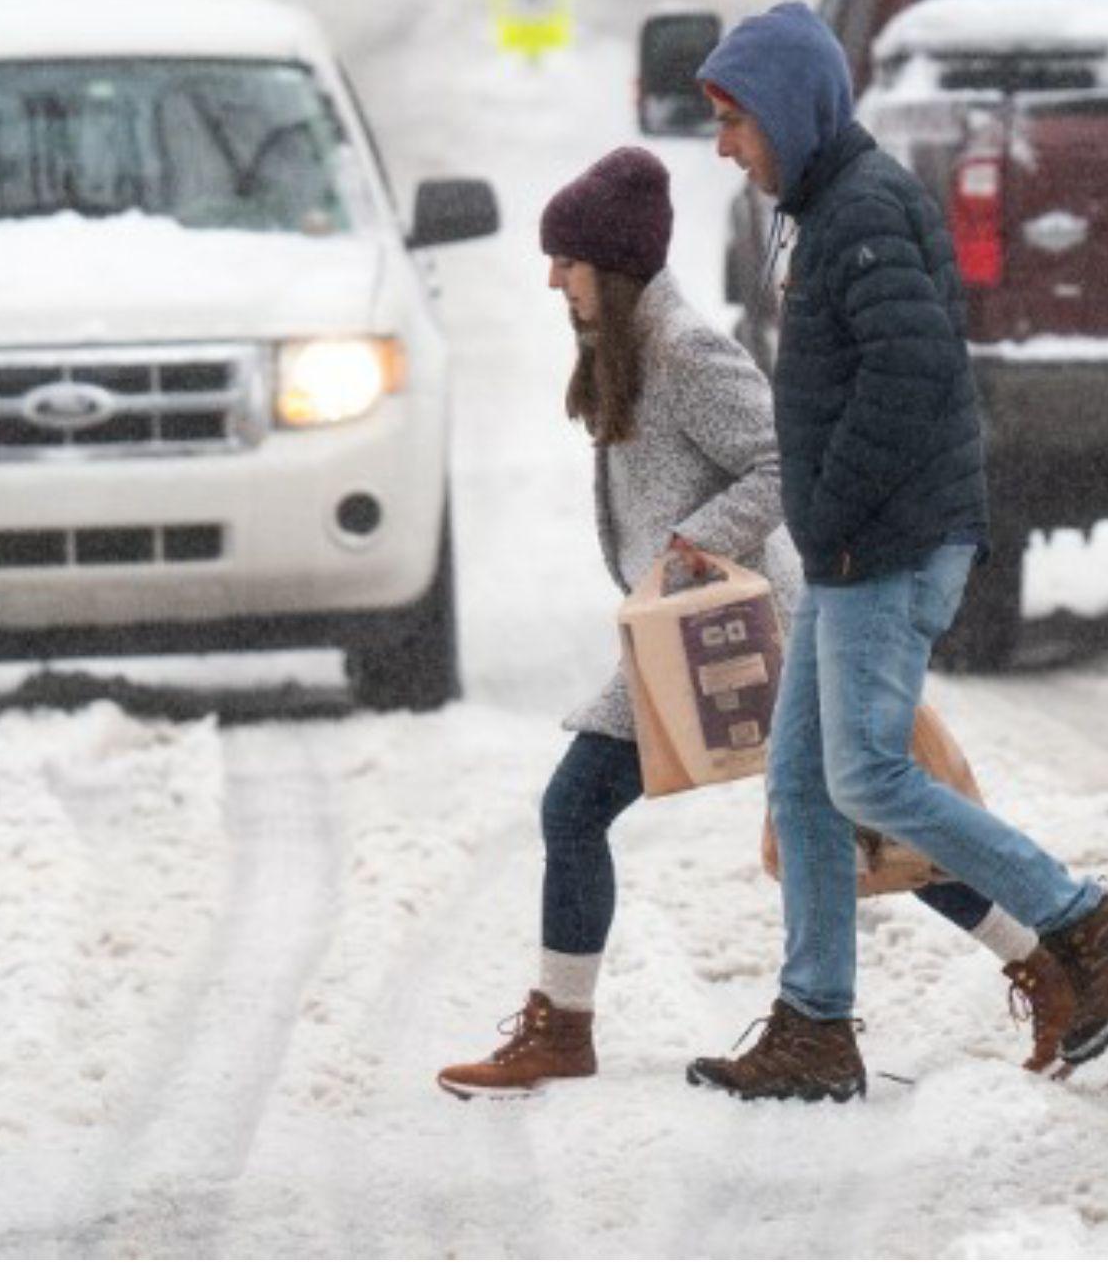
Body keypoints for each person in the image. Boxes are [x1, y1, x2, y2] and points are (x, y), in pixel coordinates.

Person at [436, 149, 1057, 1099]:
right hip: (683, 627)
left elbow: (779, 460)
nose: (553, 278)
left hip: (735, 630)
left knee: (595, 808)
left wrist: (691, 541)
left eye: (566, 260)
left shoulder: (685, 349)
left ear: (614, 263)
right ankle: (1041, 962)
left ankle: (563, 1029)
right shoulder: (629, 347)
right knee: (856, 816)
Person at [685, 4, 1108, 1099]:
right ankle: (815, 1026)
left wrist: (837, 516)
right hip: (864, 541)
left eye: (733, 122)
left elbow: (910, 382)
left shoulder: (860, 214)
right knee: (804, 782)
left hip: (885, 545)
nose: (724, 146)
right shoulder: (834, 205)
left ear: (789, 114)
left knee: (865, 772)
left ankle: (1089, 920)